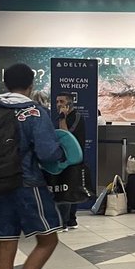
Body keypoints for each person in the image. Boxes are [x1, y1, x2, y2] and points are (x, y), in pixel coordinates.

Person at [0, 65, 69, 269]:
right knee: (48, 240)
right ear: (31, 85)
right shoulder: (34, 112)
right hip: (28, 184)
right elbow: (47, 153)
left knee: (6, 246)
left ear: (4, 83)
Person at [54, 92, 86, 231]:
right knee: (71, 187)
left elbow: (66, 135)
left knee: (67, 189)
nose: (58, 104)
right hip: (66, 158)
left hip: (73, 159)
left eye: (61, 101)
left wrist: (62, 117)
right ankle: (71, 220)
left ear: (69, 103)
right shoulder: (65, 117)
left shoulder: (76, 117)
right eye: (57, 101)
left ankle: (64, 222)